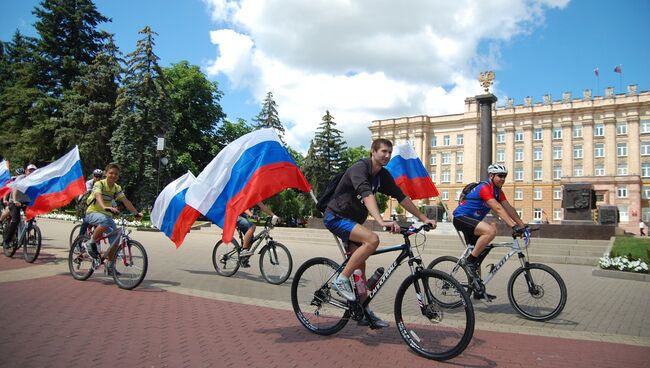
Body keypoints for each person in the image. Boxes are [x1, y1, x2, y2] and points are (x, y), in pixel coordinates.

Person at [323, 138, 437, 328]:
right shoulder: (360, 169)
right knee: (372, 239)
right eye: (383, 151)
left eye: (389, 152)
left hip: (352, 222)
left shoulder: (382, 175)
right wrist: (381, 221)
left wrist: (423, 218)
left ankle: (363, 311)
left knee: (360, 269)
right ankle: (340, 280)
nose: (386, 155)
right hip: (336, 217)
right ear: (373, 152)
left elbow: (401, 197)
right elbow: (367, 195)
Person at [453, 163, 527, 300]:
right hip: (461, 218)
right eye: (500, 176)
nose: (502, 179)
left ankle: (477, 290)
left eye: (504, 176)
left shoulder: (498, 191)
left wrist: (522, 225)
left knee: (478, 254)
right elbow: (498, 208)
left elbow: (509, 208)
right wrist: (513, 226)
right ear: (491, 176)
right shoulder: (484, 188)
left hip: (473, 222)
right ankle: (469, 261)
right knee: (490, 232)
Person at [83, 163, 142, 268]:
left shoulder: (116, 187)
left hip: (106, 216)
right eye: (111, 173)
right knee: (105, 220)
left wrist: (135, 213)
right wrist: (104, 207)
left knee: (115, 240)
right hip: (92, 213)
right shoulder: (99, 184)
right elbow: (98, 196)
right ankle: (90, 242)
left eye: (116, 174)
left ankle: (110, 266)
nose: (113, 175)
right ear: (105, 173)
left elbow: (126, 201)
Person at [2, 165, 36, 248]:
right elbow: (15, 189)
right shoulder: (21, 178)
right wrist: (14, 200)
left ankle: (27, 233)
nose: (32, 172)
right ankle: (6, 240)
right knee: (16, 220)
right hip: (14, 201)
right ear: (26, 171)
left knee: (31, 216)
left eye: (33, 171)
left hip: (26, 201)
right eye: (30, 170)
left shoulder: (35, 180)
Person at [236, 202, 278, 267]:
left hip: (243, 216)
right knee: (252, 226)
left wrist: (273, 215)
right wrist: (251, 215)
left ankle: (243, 259)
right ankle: (244, 250)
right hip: (235, 215)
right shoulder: (246, 193)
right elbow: (243, 206)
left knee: (251, 239)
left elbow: (263, 207)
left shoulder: (255, 195)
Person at [77, 169, 104, 238]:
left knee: (98, 222)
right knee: (86, 222)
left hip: (95, 204)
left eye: (99, 177)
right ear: (93, 176)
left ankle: (94, 239)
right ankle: (79, 240)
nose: (97, 178)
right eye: (96, 176)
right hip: (84, 203)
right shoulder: (89, 183)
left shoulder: (103, 184)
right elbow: (89, 192)